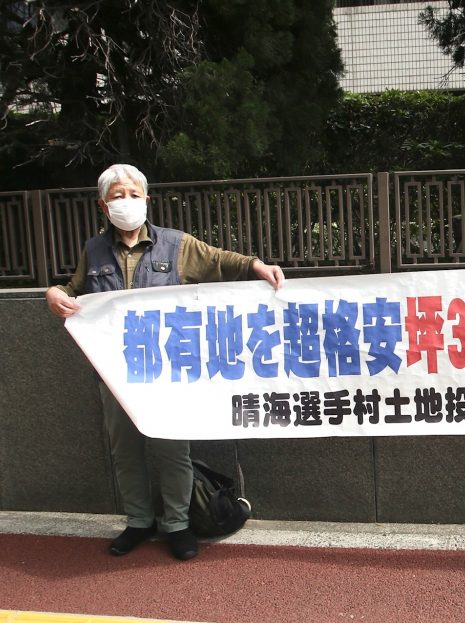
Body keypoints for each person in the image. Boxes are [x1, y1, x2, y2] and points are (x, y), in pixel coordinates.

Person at [45, 163, 285, 561]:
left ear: (147, 200)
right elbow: (72, 289)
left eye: (133, 194)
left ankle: (177, 524)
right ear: (103, 205)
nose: (127, 201)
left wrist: (257, 265)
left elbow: (220, 260)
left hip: (167, 373)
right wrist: (53, 294)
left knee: (172, 451)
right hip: (115, 373)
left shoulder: (176, 245)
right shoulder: (94, 250)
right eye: (118, 196)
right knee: (126, 452)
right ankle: (139, 522)